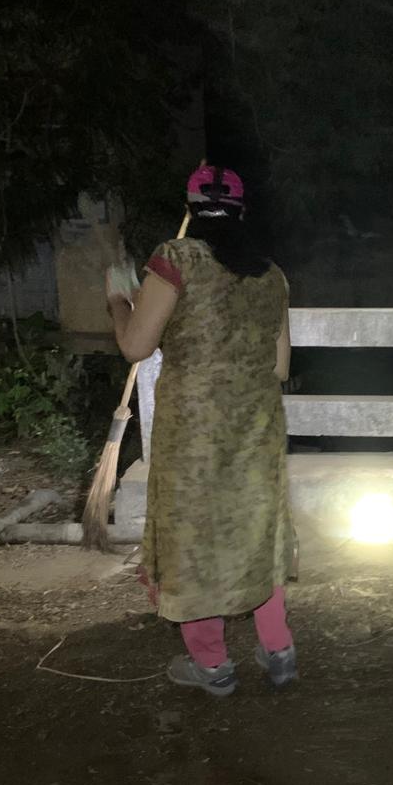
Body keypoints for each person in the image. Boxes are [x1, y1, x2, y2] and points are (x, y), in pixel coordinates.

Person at [107, 165, 296, 696]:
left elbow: (135, 346)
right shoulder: (272, 275)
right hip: (256, 427)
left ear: (190, 210)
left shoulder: (176, 259)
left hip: (193, 434)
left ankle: (213, 665)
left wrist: (119, 303)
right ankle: (279, 649)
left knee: (193, 536)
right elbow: (280, 367)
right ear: (242, 211)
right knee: (257, 529)